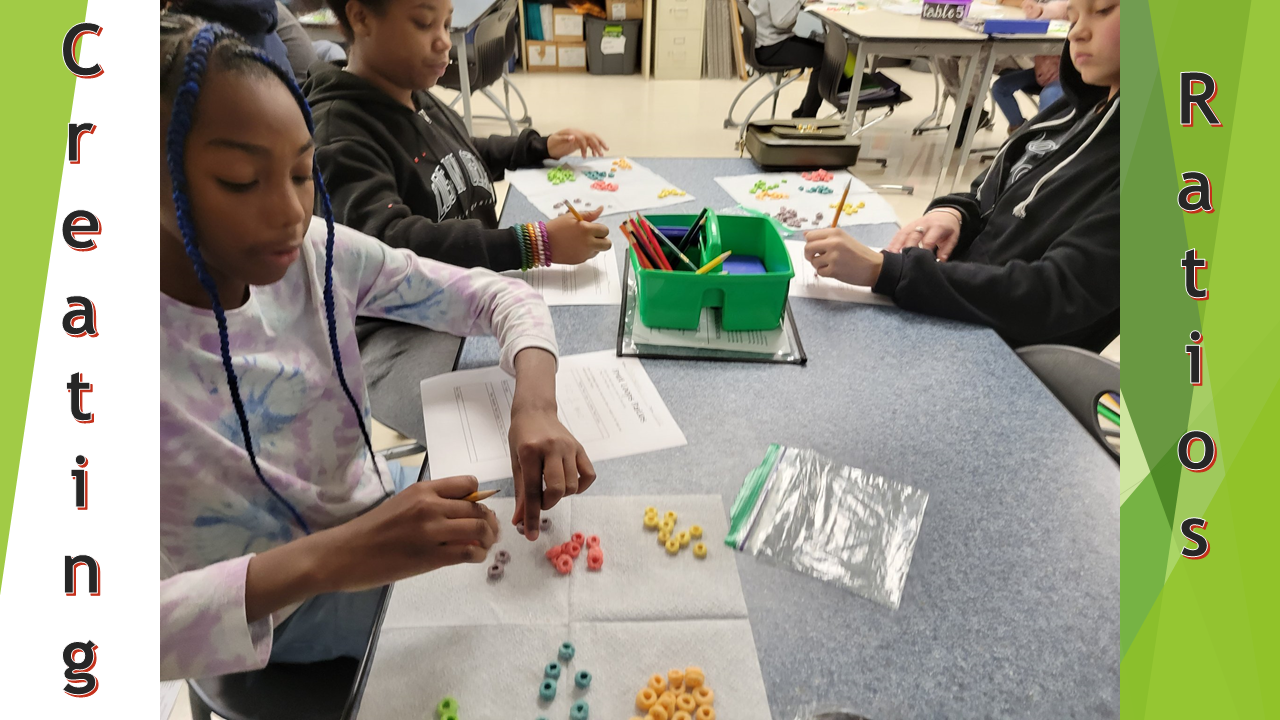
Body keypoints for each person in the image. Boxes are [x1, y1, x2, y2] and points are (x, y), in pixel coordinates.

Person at [160, 12, 595, 679]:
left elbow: (500, 295)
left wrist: (534, 403)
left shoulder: (316, 253)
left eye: (304, 174)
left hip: (365, 514)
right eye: (242, 182)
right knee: (550, 612)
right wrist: (342, 554)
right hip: (276, 621)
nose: (289, 212)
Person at [305, 0, 615, 444]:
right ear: (360, 17)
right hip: (411, 343)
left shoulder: (414, 95)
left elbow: (461, 153)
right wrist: (533, 243)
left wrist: (537, 145)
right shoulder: (339, 134)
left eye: (447, 24)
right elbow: (393, 247)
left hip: (480, 302)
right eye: (423, 23)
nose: (444, 42)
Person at [801, 0, 1119, 352]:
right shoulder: (1073, 109)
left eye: (1103, 10)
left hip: (1003, 353)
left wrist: (884, 271)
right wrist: (953, 213)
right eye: (1073, 17)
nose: (1077, 32)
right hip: (955, 306)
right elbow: (989, 194)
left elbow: (1051, 296)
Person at [991, 0, 1069, 133]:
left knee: (1049, 95)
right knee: (1000, 88)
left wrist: (1041, 11)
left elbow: (1062, 8)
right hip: (1042, 71)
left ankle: (1042, 140)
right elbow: (1057, 8)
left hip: (1067, 74)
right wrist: (1039, 11)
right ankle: (1019, 130)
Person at [747, 0, 826, 118]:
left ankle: (801, 114)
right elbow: (781, 21)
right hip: (770, 47)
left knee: (823, 50)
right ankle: (806, 118)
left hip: (761, 42)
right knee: (825, 59)